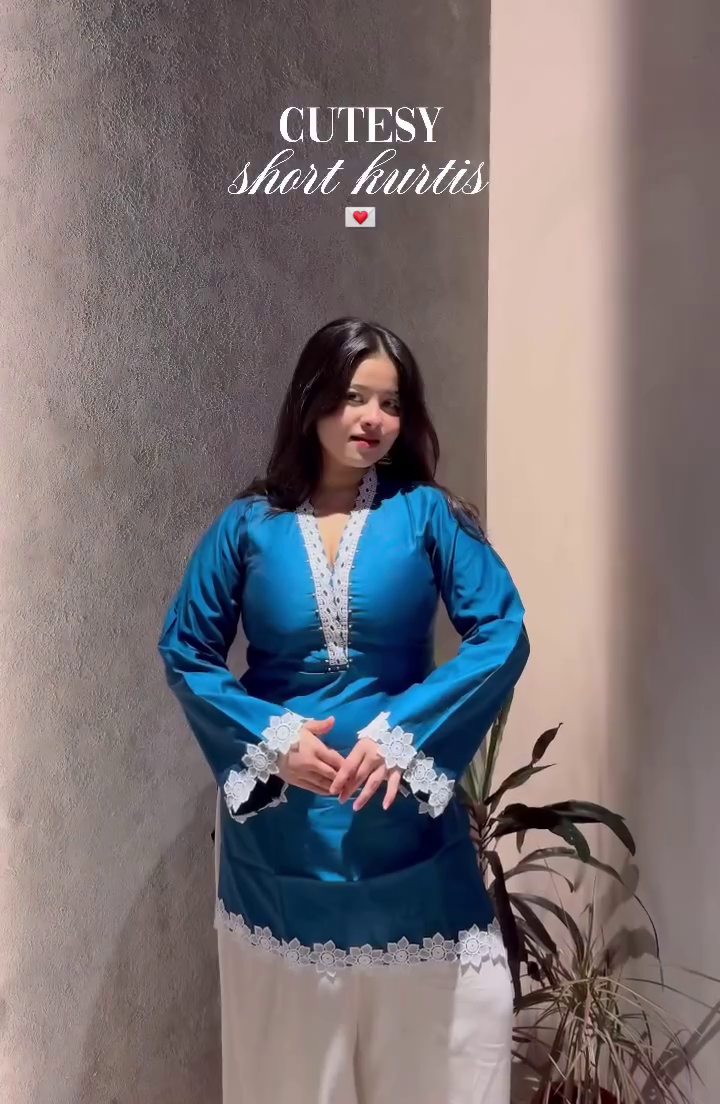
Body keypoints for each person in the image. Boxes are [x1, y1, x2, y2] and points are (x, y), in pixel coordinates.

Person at [158, 317, 530, 1104]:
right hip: (283, 848)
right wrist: (271, 739)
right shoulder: (247, 526)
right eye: (356, 396)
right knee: (295, 1071)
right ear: (313, 397)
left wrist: (405, 735)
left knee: (440, 1055)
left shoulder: (427, 516)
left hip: (406, 835)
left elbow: (503, 633)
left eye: (391, 403)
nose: (373, 418)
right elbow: (186, 651)